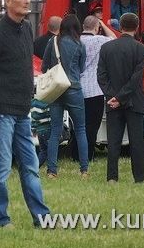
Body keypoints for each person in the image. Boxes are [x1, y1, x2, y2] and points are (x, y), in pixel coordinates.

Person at [0, 0, 50, 228]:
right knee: (2, 167)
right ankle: (2, 220)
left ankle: (42, 218)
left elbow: (25, 67)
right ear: (8, 1)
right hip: (0, 111)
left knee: (30, 166)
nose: (27, 0)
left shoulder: (27, 29)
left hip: (21, 111)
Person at [97, 12, 144, 183]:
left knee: (113, 141)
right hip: (134, 100)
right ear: (137, 26)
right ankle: (139, 177)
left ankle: (112, 177)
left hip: (112, 101)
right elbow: (136, 79)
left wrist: (112, 96)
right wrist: (121, 97)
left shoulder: (106, 48)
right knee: (137, 141)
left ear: (119, 26)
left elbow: (101, 76)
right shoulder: (141, 49)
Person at [42, 14, 88, 178]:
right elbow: (82, 68)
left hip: (56, 89)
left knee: (55, 131)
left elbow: (44, 66)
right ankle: (83, 170)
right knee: (81, 129)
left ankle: (51, 171)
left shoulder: (52, 42)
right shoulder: (80, 45)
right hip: (74, 88)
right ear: (77, 28)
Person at [73, 15, 115, 162]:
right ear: (96, 28)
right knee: (92, 126)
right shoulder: (98, 40)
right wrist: (103, 24)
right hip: (94, 89)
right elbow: (114, 38)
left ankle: (75, 153)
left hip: (77, 88)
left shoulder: (76, 40)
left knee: (78, 125)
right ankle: (88, 154)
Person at [30, 99, 51, 167]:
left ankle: (35, 166)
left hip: (39, 131)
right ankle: (51, 168)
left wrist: (33, 129)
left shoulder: (33, 104)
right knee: (50, 150)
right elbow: (50, 116)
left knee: (43, 151)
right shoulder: (46, 103)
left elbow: (33, 120)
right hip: (47, 129)